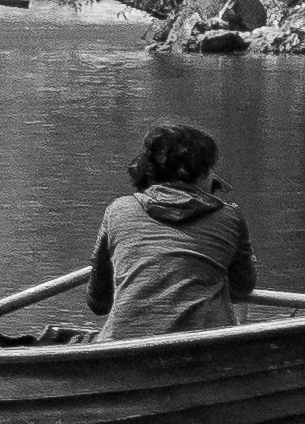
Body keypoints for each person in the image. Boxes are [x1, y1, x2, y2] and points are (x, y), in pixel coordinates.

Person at [86, 124, 256, 342]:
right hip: (207, 347)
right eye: (211, 169)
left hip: (121, 346)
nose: (214, 177)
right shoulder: (230, 217)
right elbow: (242, 287)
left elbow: (98, 303)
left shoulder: (118, 210)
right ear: (200, 174)